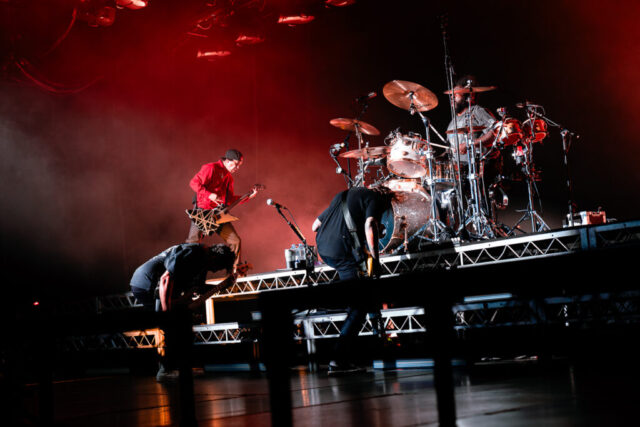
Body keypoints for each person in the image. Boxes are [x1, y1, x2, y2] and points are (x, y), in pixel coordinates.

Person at [312, 186, 393, 374]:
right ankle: (338, 361)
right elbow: (370, 224)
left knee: (358, 298)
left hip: (324, 250)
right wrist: (375, 258)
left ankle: (352, 355)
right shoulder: (375, 198)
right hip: (341, 252)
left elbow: (315, 225)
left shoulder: (343, 195)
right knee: (359, 305)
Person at [130, 243, 235, 381]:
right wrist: (166, 313)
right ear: (214, 257)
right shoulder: (193, 252)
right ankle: (165, 370)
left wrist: (222, 286)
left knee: (180, 322)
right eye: (218, 267)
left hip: (158, 286)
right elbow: (165, 279)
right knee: (173, 324)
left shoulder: (203, 262)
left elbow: (197, 288)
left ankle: (177, 367)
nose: (215, 271)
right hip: (146, 283)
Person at [186, 149, 258, 271]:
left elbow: (229, 200)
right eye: (235, 164)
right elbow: (194, 183)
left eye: (239, 165)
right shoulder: (211, 168)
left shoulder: (229, 178)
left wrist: (247, 197)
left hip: (218, 214)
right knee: (193, 243)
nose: (237, 168)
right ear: (227, 160)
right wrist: (209, 195)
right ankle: (186, 271)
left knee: (235, 240)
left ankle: (235, 270)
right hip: (203, 212)